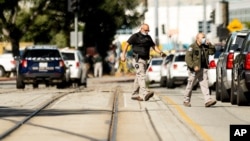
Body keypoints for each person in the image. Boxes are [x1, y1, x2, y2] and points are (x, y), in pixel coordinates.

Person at [121, 23, 166, 101]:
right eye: (146, 30)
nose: (147, 31)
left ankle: (134, 94)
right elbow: (126, 45)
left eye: (148, 30)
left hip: (145, 60)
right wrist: (123, 55)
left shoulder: (148, 37)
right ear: (141, 29)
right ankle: (145, 93)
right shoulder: (135, 36)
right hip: (137, 59)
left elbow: (154, 46)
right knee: (141, 75)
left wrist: (161, 52)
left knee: (138, 76)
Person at [184, 32, 217, 107]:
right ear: (197, 38)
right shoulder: (192, 47)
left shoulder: (205, 46)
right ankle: (186, 100)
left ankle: (208, 100)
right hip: (194, 70)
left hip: (203, 68)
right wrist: (193, 66)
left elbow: (212, 52)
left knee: (205, 85)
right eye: (202, 37)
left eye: (204, 37)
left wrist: (210, 44)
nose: (203, 39)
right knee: (190, 85)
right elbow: (187, 58)